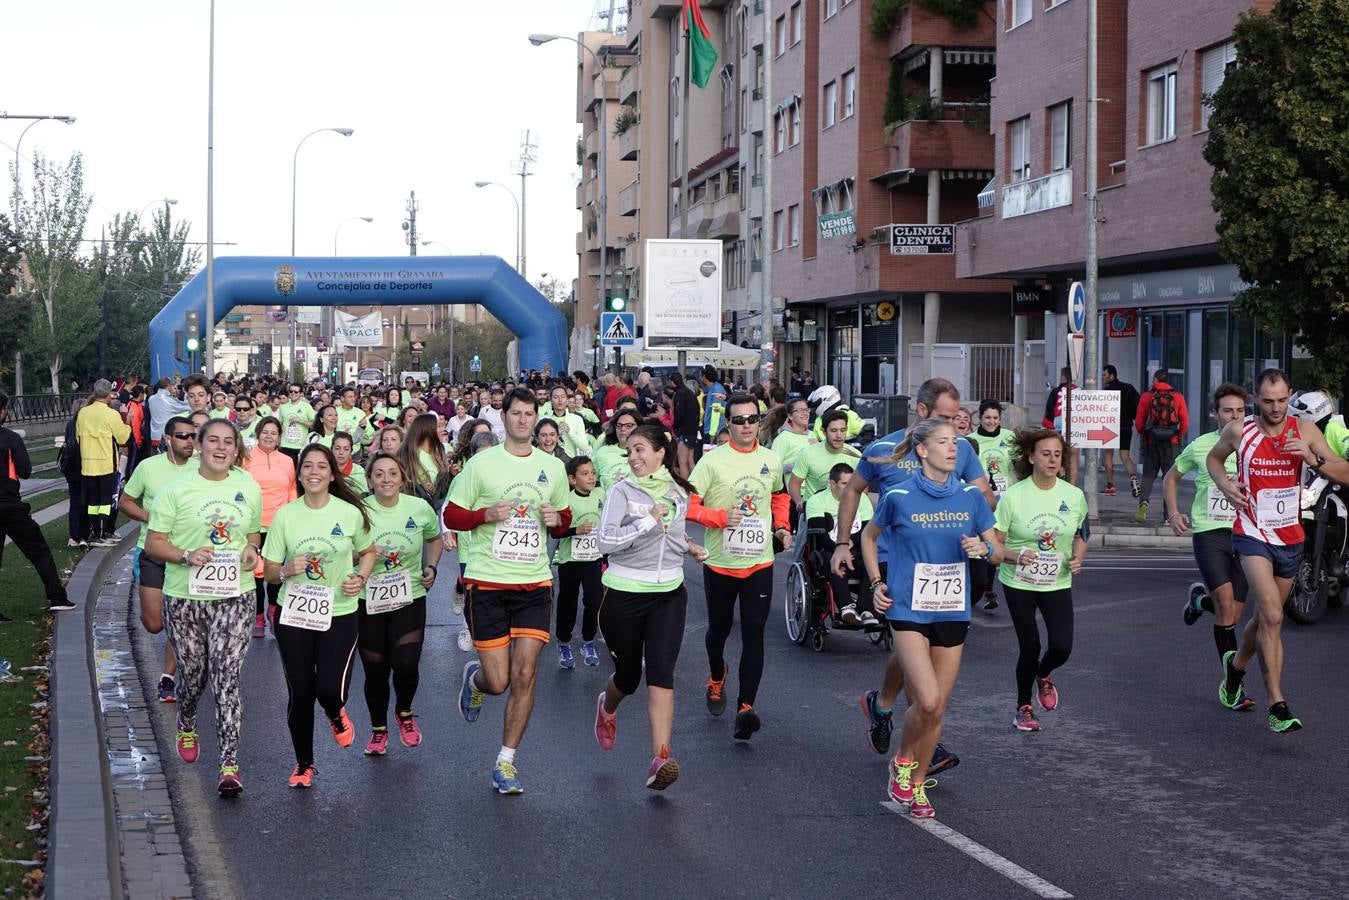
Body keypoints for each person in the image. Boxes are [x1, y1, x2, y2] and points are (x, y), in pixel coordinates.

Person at [835, 378, 991, 773]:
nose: (952, 429)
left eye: (956, 421)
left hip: (945, 559)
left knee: (911, 654)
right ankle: (923, 735)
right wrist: (842, 542)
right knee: (911, 649)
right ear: (921, 413)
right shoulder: (883, 449)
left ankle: (883, 703)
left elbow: (982, 495)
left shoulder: (959, 450)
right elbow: (853, 490)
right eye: (943, 419)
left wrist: (973, 515)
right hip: (894, 561)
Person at [859, 417, 1002, 819]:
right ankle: (903, 761)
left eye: (955, 442)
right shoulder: (899, 496)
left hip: (953, 609)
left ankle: (918, 783)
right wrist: (875, 584)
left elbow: (995, 551)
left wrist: (982, 548)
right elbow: (869, 537)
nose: (953, 448)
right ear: (923, 450)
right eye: (944, 442)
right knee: (927, 698)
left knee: (937, 710)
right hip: (907, 608)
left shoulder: (970, 498)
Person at [442, 388, 572, 794]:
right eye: (515, 414)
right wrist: (485, 514)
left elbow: (563, 519)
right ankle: (476, 681)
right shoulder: (482, 465)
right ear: (506, 418)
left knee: (526, 674)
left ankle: (506, 762)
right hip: (488, 582)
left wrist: (557, 519)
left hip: (534, 582)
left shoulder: (552, 468)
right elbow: (450, 514)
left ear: (536, 419)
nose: (522, 420)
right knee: (499, 681)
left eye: (529, 414)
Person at [1207, 369, 1349, 732]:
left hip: (1291, 538)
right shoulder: (1240, 430)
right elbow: (1213, 460)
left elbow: (1345, 472)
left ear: (1290, 397)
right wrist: (1226, 485)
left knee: (1262, 619)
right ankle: (1277, 704)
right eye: (1268, 401)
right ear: (1255, 398)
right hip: (1252, 533)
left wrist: (1312, 458)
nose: (1276, 408)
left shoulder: (1304, 431)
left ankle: (1235, 670)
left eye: (1282, 400)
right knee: (1272, 616)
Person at [144, 418, 263, 797]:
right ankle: (187, 716)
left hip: (235, 596)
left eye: (229, 442)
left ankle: (229, 765)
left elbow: (253, 534)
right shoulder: (176, 489)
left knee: (227, 678)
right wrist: (185, 555)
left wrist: (251, 549)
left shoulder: (247, 485)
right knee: (193, 676)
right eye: (213, 440)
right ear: (199, 444)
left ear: (236, 448)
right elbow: (154, 544)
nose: (221, 447)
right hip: (185, 598)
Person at [593, 425, 706, 790]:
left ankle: (661, 757)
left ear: (661, 452)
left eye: (640, 450)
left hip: (669, 592)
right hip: (623, 594)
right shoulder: (620, 491)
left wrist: (690, 546)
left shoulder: (679, 492)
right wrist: (646, 520)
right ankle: (607, 707)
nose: (634, 458)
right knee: (628, 677)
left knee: (661, 672)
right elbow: (605, 542)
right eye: (629, 452)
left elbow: (672, 534)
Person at [263, 444, 377, 789]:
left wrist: (362, 575)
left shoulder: (349, 513)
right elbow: (268, 571)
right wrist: (285, 570)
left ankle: (335, 711)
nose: (314, 472)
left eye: (321, 466)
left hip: (339, 611)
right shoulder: (286, 515)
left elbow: (369, 551)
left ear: (332, 473)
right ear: (299, 474)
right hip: (294, 612)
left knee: (329, 689)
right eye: (307, 466)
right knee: (300, 691)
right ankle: (304, 763)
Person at [687, 394, 791, 741]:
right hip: (720, 563)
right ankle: (717, 676)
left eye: (752, 419)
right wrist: (716, 517)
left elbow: (779, 495)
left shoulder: (771, 459)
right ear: (727, 424)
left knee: (754, 631)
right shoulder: (712, 462)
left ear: (759, 421)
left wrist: (781, 525)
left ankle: (745, 707)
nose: (746, 425)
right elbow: (687, 504)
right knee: (719, 631)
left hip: (759, 561)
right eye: (739, 420)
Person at [994, 428, 1089, 733]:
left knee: (1062, 646)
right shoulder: (1014, 496)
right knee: (1031, 646)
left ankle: (1044, 675)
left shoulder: (1073, 496)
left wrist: (1078, 557)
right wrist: (1015, 555)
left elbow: (1081, 534)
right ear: (1031, 457)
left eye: (1057, 454)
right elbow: (994, 546)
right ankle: (1023, 707)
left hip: (1056, 582)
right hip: (1019, 581)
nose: (1052, 459)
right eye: (1045, 454)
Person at [1164, 383, 1251, 706]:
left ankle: (1199, 603)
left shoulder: (1254, 443)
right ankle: (1232, 685)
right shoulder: (1200, 446)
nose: (1234, 416)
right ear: (1215, 413)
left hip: (1246, 532)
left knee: (1234, 613)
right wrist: (1174, 513)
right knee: (1227, 605)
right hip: (1209, 531)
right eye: (1228, 410)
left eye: (1240, 411)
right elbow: (1171, 477)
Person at [357, 452, 442, 755]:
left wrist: (431, 567)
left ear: (402, 478)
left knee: (406, 664)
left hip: (409, 597)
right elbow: (346, 553)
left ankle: (404, 711)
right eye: (379, 474)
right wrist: (364, 556)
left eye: (392, 473)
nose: (386, 480)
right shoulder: (359, 510)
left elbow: (435, 538)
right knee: (376, 672)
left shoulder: (419, 508)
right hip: (369, 600)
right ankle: (378, 729)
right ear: (369, 480)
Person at [120, 417, 196, 699]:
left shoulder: (202, 469)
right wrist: (150, 517)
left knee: (179, 618)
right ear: (167, 439)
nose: (189, 441)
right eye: (182, 436)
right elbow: (125, 501)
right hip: (151, 549)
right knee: (154, 624)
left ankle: (167, 678)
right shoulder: (148, 467)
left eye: (192, 436)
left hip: (187, 555)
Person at [0, 393, 75, 612]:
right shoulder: (10, 438)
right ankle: (57, 597)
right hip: (9, 504)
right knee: (38, 550)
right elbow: (25, 470)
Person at [244, 417, 297, 638]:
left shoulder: (287, 460)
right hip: (254, 525)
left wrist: (294, 515)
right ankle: (257, 615)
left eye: (273, 433)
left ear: (279, 436)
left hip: (279, 524)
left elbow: (292, 489)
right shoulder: (246, 458)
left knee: (275, 572)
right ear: (258, 433)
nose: (269, 436)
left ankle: (273, 610)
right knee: (255, 573)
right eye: (265, 432)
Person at [806, 462, 875, 625]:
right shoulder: (817, 500)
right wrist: (840, 547)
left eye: (851, 483)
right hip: (828, 548)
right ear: (832, 483)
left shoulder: (862, 500)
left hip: (855, 547)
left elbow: (867, 530)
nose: (849, 488)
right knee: (834, 559)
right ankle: (847, 608)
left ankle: (866, 609)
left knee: (872, 560)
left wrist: (850, 543)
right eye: (845, 484)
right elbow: (819, 534)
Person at [553, 456, 602, 669]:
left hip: (593, 558)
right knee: (568, 602)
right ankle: (564, 642)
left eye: (592, 472)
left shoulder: (602, 494)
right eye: (585, 474)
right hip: (570, 560)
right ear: (572, 479)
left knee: (594, 600)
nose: (591, 477)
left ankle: (588, 641)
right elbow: (556, 531)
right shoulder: (567, 500)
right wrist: (576, 530)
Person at [75, 379, 131, 546]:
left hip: (88, 464)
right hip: (106, 464)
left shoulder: (83, 413)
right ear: (109, 395)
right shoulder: (111, 414)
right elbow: (123, 438)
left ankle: (93, 532)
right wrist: (127, 422)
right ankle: (101, 534)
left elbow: (78, 438)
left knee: (92, 501)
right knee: (105, 501)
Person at [1134, 369, 1189, 525]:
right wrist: (1177, 437)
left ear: (1155, 380)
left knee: (1148, 476)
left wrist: (1144, 434)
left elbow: (1139, 422)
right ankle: (1167, 515)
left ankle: (1144, 503)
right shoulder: (1178, 397)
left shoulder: (1147, 397)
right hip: (1170, 444)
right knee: (1169, 478)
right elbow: (1185, 423)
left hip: (1151, 441)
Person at [788, 408, 861, 510]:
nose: (839, 435)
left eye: (843, 430)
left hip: (845, 511)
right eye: (833, 430)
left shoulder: (856, 456)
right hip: (814, 513)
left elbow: (863, 487)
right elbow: (794, 483)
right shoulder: (808, 453)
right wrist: (799, 502)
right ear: (824, 431)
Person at [1101, 365, 1141, 497]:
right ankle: (1133, 480)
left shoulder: (1106, 392)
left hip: (1109, 427)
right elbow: (1138, 404)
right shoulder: (1128, 388)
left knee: (1108, 455)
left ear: (1112, 375)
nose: (1103, 377)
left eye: (1105, 375)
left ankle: (1110, 485)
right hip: (1125, 427)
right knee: (1125, 456)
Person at [770, 397, 815, 487]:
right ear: (790, 416)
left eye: (806, 410)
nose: (805, 413)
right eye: (799, 410)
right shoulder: (782, 439)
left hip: (815, 491)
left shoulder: (813, 435)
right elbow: (773, 469)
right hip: (795, 493)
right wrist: (796, 465)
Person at [593, 409, 640, 494]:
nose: (622, 429)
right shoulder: (602, 452)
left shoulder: (649, 453)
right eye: (619, 425)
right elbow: (591, 481)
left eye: (629, 425)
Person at [668, 372, 700, 477]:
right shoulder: (689, 393)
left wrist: (675, 427)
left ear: (672, 382)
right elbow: (697, 411)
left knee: (682, 461)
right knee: (690, 460)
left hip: (684, 431)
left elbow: (679, 413)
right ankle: (696, 484)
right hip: (693, 430)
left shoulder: (680, 394)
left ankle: (685, 486)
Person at [276, 384, 316, 464]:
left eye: (296, 391)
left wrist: (300, 421)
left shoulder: (307, 407)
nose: (293, 393)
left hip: (300, 446)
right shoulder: (283, 407)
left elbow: (314, 424)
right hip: (285, 445)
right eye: (291, 391)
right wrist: (278, 440)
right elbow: (279, 424)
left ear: (301, 393)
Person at [332, 432, 368, 497]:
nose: (341, 452)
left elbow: (362, 497)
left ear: (351, 451)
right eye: (337, 448)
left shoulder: (358, 471)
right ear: (331, 449)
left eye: (346, 449)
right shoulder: (325, 469)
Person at [698, 366, 727, 443]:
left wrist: (712, 434)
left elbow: (716, 412)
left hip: (715, 431)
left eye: (700, 375)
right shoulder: (713, 388)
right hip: (712, 429)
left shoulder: (716, 389)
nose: (699, 378)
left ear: (704, 376)